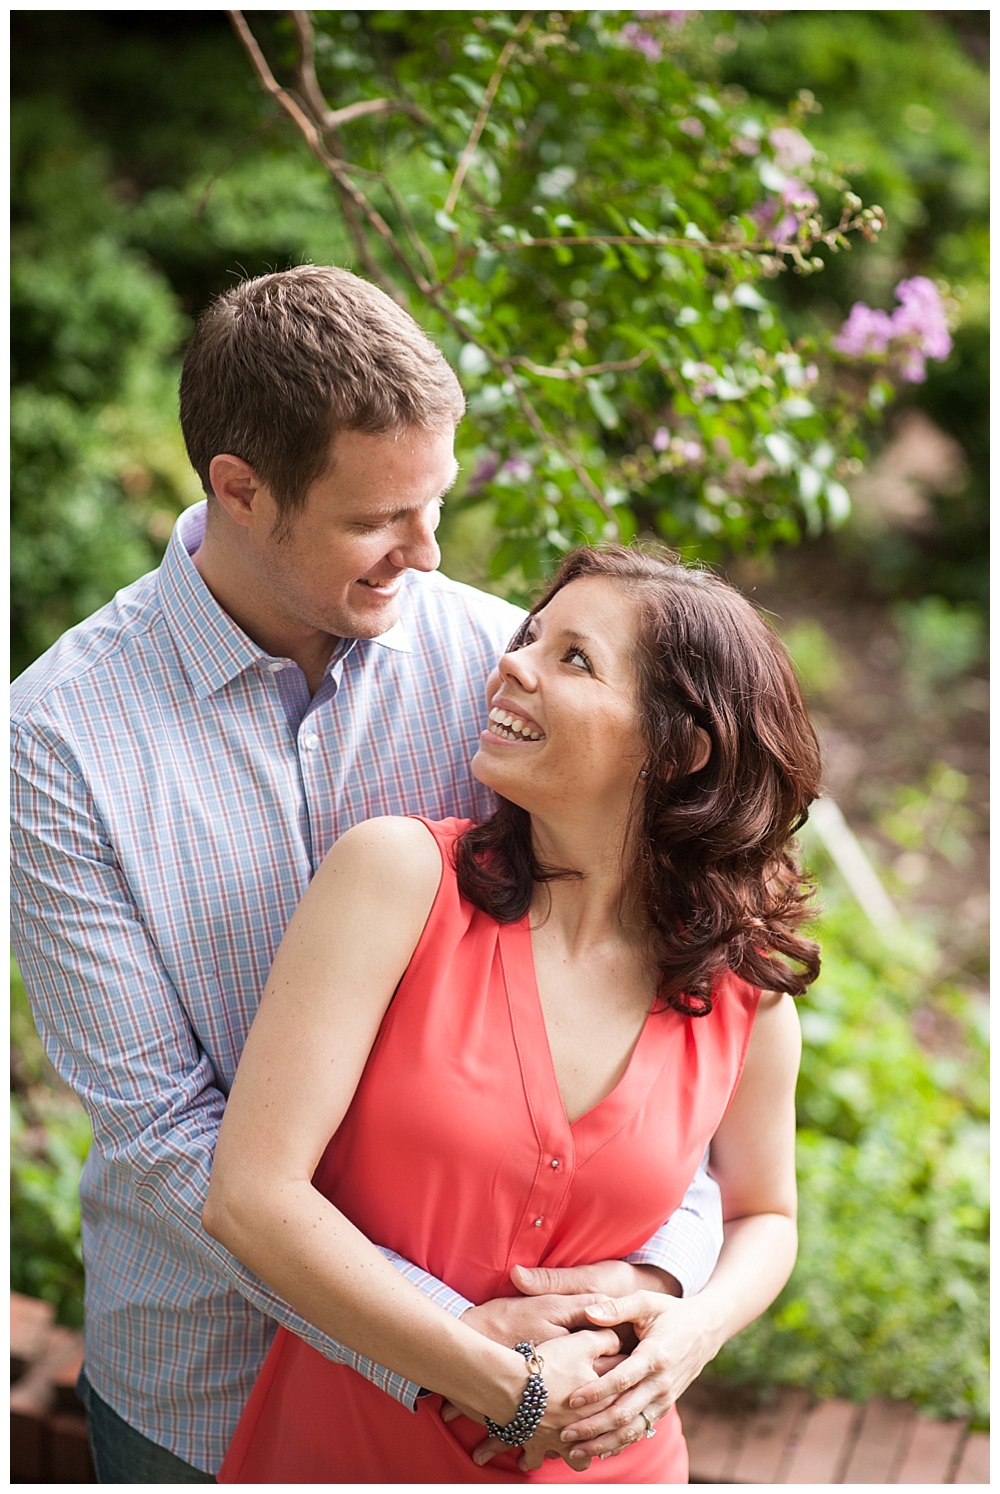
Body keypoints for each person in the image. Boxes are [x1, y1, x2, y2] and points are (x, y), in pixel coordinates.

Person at [10, 265, 724, 1482]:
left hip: (506, 1400)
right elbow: (166, 1129)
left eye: (433, 503)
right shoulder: (56, 741)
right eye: (376, 519)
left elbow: (656, 1003)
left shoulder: (496, 673)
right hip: (207, 1393)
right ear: (239, 490)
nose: (426, 550)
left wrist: (658, 1275)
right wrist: (448, 1340)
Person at [206, 543, 821, 1484]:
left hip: (618, 1462)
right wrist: (510, 1389)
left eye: (573, 658)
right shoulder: (398, 881)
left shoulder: (741, 989)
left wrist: (690, 1332)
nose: (512, 663)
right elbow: (252, 1196)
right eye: (532, 637)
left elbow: (765, 1213)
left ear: (679, 748)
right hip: (353, 1454)